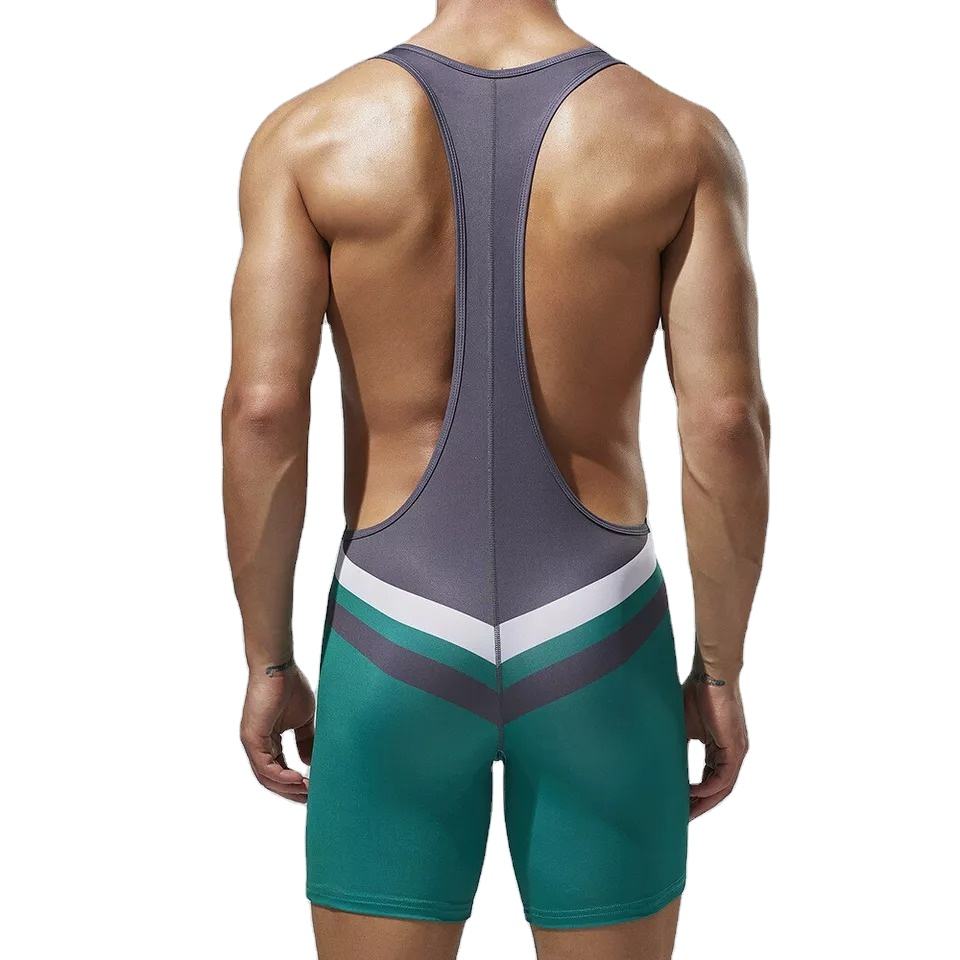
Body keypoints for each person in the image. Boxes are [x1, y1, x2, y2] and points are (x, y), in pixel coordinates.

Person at [222, 1, 769, 957]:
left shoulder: (308, 136)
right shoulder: (676, 138)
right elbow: (726, 425)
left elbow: (262, 412)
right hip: (600, 632)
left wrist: (269, 662)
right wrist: (717, 669)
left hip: (393, 627)